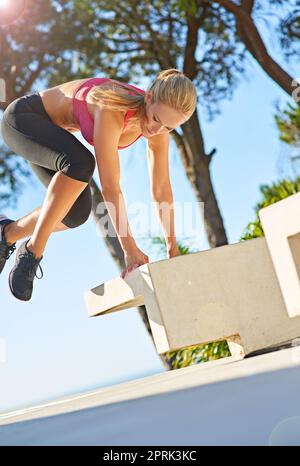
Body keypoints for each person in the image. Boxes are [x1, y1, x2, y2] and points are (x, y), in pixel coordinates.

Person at [0, 68, 197, 301]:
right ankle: (32, 253)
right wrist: (129, 249)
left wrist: (172, 248)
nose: (157, 130)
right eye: (156, 119)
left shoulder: (158, 131)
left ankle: (6, 233)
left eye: (169, 127)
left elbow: (161, 189)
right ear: (149, 97)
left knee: (75, 214)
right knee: (82, 163)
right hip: (23, 120)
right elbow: (111, 188)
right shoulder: (113, 107)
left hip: (54, 139)